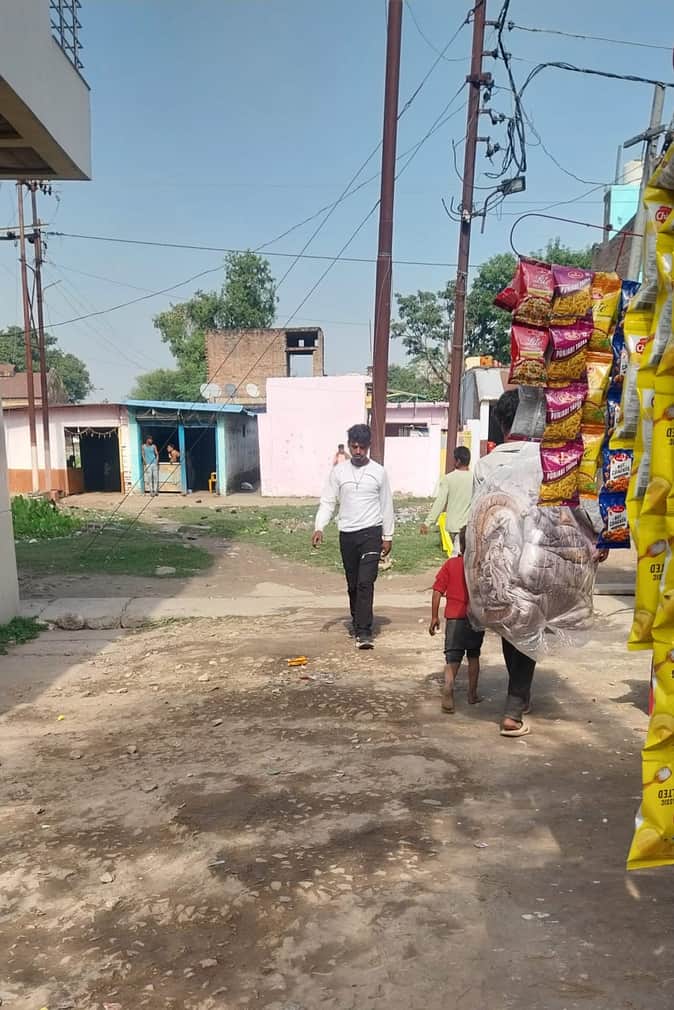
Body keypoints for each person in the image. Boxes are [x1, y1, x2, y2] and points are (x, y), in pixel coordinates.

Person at [473, 390, 608, 737]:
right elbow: (580, 504)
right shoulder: (556, 458)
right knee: (530, 622)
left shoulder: (487, 464)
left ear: (503, 422)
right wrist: (599, 536)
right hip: (544, 555)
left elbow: (476, 516)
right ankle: (514, 707)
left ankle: (517, 698)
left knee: (512, 622)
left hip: (499, 558)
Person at [312, 423, 394, 650]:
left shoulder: (379, 472)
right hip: (347, 534)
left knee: (366, 582)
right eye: (354, 447)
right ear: (349, 446)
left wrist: (388, 535)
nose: (358, 451)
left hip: (371, 533)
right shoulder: (339, 472)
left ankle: (364, 632)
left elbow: (386, 504)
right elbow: (328, 501)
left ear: (369, 447)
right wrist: (319, 527)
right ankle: (358, 620)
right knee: (353, 584)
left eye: (362, 447)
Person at [429, 526, 484, 714]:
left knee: (452, 657)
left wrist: (434, 616)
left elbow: (437, 591)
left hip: (454, 618)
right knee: (474, 656)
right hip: (476, 618)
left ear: (460, 544)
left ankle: (448, 687)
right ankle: (472, 694)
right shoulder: (480, 567)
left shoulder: (450, 564)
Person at [420, 446, 473, 555]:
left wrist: (427, 522)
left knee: (457, 556)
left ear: (458, 461)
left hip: (455, 526)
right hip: (470, 526)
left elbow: (440, 503)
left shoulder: (448, 478)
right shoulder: (475, 478)